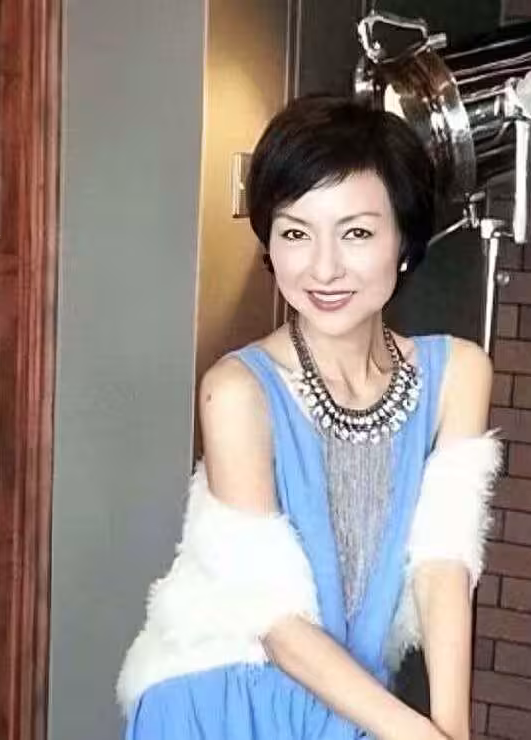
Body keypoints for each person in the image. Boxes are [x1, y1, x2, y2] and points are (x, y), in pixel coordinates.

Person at [116, 96, 502, 740]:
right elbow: (274, 620)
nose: (323, 268)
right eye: (296, 233)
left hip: (355, 701)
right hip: (226, 700)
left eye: (356, 233)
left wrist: (452, 730)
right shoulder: (238, 390)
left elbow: (443, 565)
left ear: (405, 242)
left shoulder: (457, 373)